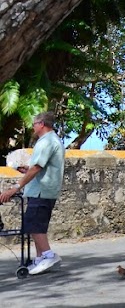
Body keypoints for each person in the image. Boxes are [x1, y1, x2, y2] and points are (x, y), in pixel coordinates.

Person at [0, 112, 65, 274]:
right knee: (36, 224)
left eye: (35, 123)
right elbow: (37, 167)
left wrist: (16, 187)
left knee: (34, 224)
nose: (33, 126)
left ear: (42, 124)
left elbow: (37, 167)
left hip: (41, 190)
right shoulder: (50, 141)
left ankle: (49, 255)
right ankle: (40, 258)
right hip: (42, 189)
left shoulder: (47, 142)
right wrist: (25, 170)